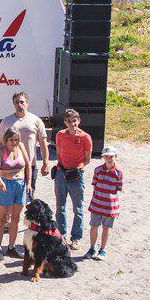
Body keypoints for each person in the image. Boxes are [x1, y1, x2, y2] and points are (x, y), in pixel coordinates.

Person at [53, 107, 93, 251]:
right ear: (65, 122)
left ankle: (76, 238)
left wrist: (79, 168)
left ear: (79, 121)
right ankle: (61, 236)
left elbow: (87, 159)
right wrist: (61, 169)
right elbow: (59, 153)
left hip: (76, 175)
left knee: (77, 208)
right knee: (60, 207)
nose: (72, 124)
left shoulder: (85, 137)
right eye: (69, 121)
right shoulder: (60, 135)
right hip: (61, 174)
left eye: (74, 121)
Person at [0, 90, 50, 196]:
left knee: (29, 195)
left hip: (30, 165)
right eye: (16, 102)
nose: (19, 105)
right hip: (10, 167)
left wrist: (45, 163)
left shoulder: (36, 120)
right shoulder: (6, 121)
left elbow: (43, 144)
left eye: (22, 102)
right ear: (13, 104)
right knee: (10, 198)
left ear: (27, 103)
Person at [0, 126, 31, 260]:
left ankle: (11, 247)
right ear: (6, 140)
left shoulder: (21, 146)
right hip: (6, 183)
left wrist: (29, 183)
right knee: (2, 218)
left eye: (16, 139)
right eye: (11, 140)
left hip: (20, 184)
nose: (14, 142)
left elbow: (28, 165)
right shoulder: (1, 149)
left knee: (16, 218)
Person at [86, 146, 123, 260]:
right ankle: (92, 248)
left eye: (111, 156)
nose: (108, 158)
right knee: (94, 227)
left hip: (110, 206)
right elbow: (94, 185)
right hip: (96, 204)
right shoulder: (97, 170)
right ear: (103, 157)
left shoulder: (118, 173)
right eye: (106, 156)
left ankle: (102, 250)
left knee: (106, 228)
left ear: (115, 156)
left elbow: (117, 189)